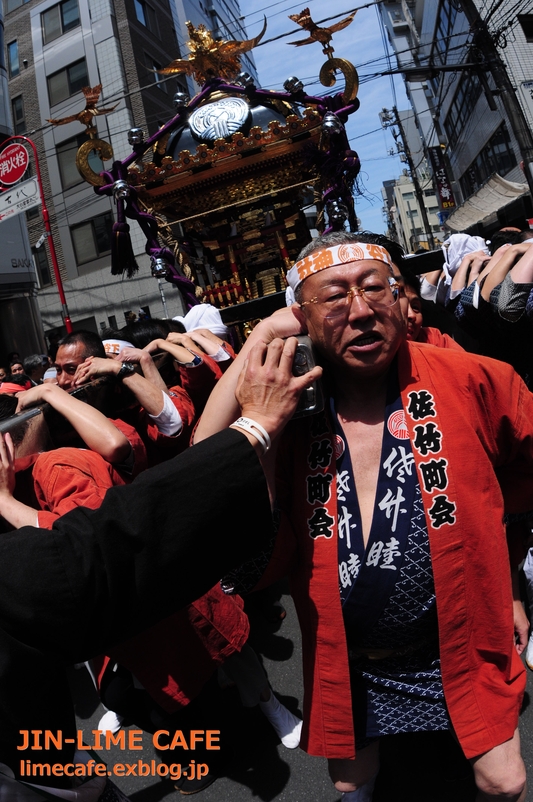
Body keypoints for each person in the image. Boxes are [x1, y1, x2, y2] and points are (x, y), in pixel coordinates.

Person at [196, 231, 532, 801]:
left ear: (402, 299)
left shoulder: (474, 378)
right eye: (333, 299)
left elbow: (524, 481)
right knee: (352, 780)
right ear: (301, 315)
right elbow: (206, 468)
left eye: (374, 290)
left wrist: (515, 589)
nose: (360, 312)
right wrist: (262, 344)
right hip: (351, 652)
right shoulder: (292, 406)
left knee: (503, 782)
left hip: (462, 634)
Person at [0, 337, 320, 792]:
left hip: (165, 564)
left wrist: (134, 368)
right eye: (60, 372)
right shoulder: (51, 447)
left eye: (81, 368)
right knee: (162, 684)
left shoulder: (63, 460)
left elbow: (89, 538)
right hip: (120, 609)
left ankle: (268, 705)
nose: (71, 379)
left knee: (227, 649)